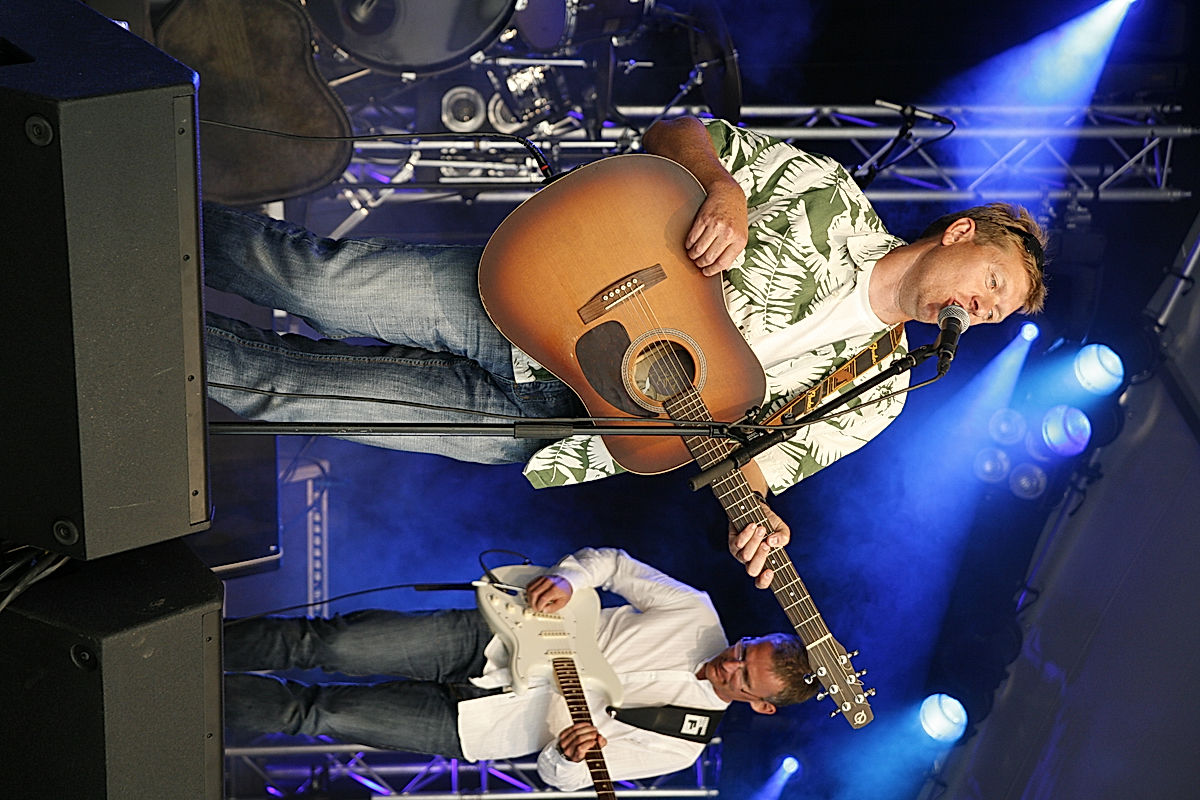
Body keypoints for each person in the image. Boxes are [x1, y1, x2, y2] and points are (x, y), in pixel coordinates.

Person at [203, 116, 1048, 583]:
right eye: (991, 284)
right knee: (310, 280)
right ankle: (118, 205)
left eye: (994, 316)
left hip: (558, 428)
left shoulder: (883, 387)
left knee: (283, 395)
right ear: (961, 233)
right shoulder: (828, 199)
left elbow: (761, 463)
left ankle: (103, 354)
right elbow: (675, 133)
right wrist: (721, 186)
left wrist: (758, 519)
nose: (979, 311)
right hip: (547, 300)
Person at [223, 547, 817, 791]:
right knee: (323, 644)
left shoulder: (680, 748)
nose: (729, 664)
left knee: (315, 712)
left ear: (760, 705)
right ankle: (199, 645)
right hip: (491, 641)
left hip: (477, 726)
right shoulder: (696, 613)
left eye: (742, 679)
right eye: (744, 651)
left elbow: (559, 778)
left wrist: (570, 752)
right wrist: (569, 578)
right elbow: (611, 563)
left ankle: (183, 696)